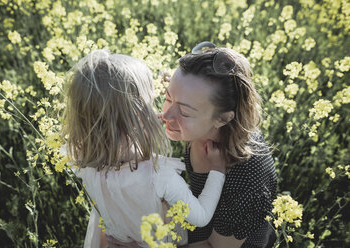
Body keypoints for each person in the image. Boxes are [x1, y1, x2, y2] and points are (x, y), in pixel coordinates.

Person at [61, 49, 227, 248]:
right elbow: (201, 217)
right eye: (150, 102)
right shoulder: (158, 176)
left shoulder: (82, 161)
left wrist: (141, 128)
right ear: (139, 117)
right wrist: (218, 170)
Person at [160, 41, 277, 248]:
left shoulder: (247, 182)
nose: (166, 115)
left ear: (223, 119)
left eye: (185, 112)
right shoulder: (202, 123)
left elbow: (213, 246)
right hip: (197, 223)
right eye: (167, 97)